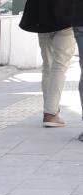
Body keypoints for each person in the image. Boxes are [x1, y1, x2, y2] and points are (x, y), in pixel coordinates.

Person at [19, 0, 78, 128]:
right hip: (66, 19)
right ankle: (50, 113)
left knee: (48, 65)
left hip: (43, 19)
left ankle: (50, 111)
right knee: (59, 66)